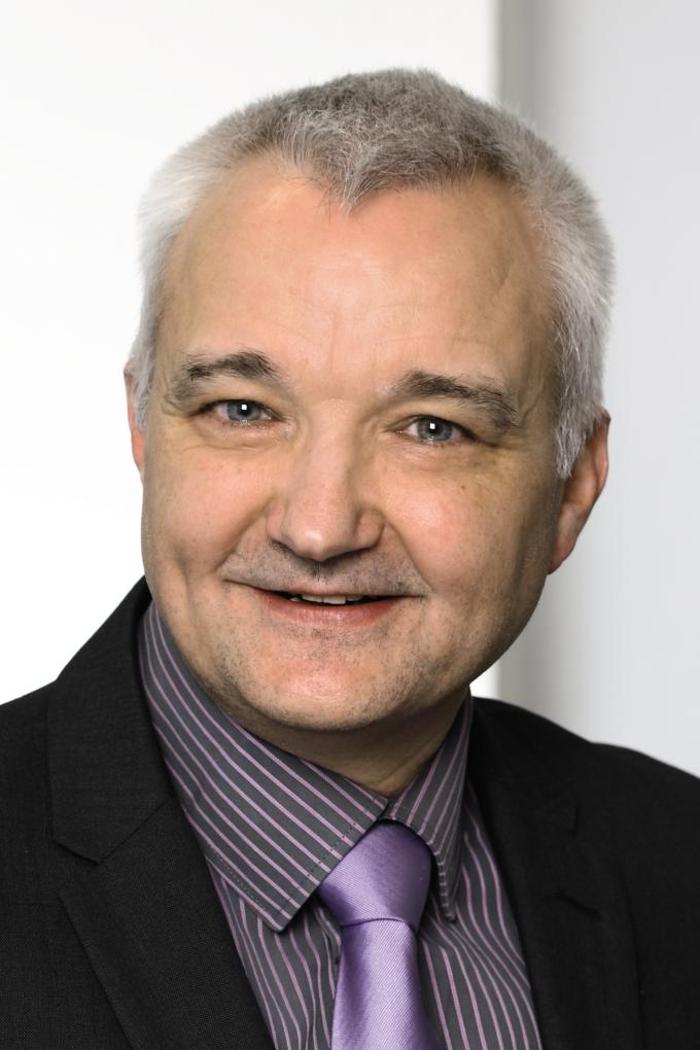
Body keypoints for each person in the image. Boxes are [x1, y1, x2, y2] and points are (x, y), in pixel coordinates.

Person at [2, 69, 698, 1050]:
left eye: (432, 427)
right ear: (143, 427)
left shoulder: (676, 863)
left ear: (572, 485)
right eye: (242, 410)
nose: (320, 528)